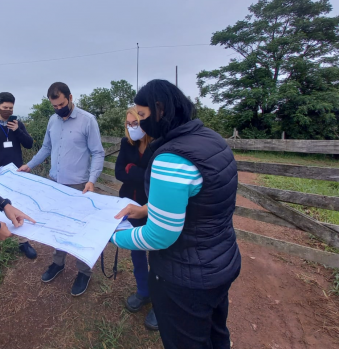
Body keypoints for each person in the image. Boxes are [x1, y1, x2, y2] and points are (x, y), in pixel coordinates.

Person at [112, 80, 241, 349]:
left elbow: (159, 236)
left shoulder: (171, 158)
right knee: (217, 335)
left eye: (143, 116)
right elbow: (200, 201)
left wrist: (112, 236)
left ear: (160, 110)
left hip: (186, 277)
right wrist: (147, 208)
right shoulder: (210, 139)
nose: (140, 123)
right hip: (221, 260)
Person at [18, 82, 105, 296]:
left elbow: (98, 152)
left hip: (78, 185)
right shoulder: (52, 120)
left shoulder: (88, 120)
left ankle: (84, 271)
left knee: (77, 228)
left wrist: (92, 180)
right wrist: (29, 165)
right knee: (57, 225)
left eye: (61, 104)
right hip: (55, 183)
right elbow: (47, 147)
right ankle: (58, 263)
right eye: (54, 106)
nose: (58, 109)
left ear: (70, 97)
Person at [115, 106, 158, 331]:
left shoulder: (159, 145)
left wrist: (132, 169)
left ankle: (160, 303)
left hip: (153, 206)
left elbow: (155, 178)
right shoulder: (126, 143)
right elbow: (118, 172)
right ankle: (143, 291)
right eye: (129, 124)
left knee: (160, 256)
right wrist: (139, 172)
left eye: (136, 124)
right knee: (137, 250)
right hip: (129, 205)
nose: (132, 128)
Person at [0, 92, 37, 258]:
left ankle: (23, 242)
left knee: (20, 205)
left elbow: (29, 144)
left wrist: (17, 130)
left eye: (10, 108)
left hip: (16, 173)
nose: (8, 110)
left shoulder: (17, 124)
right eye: (4, 107)